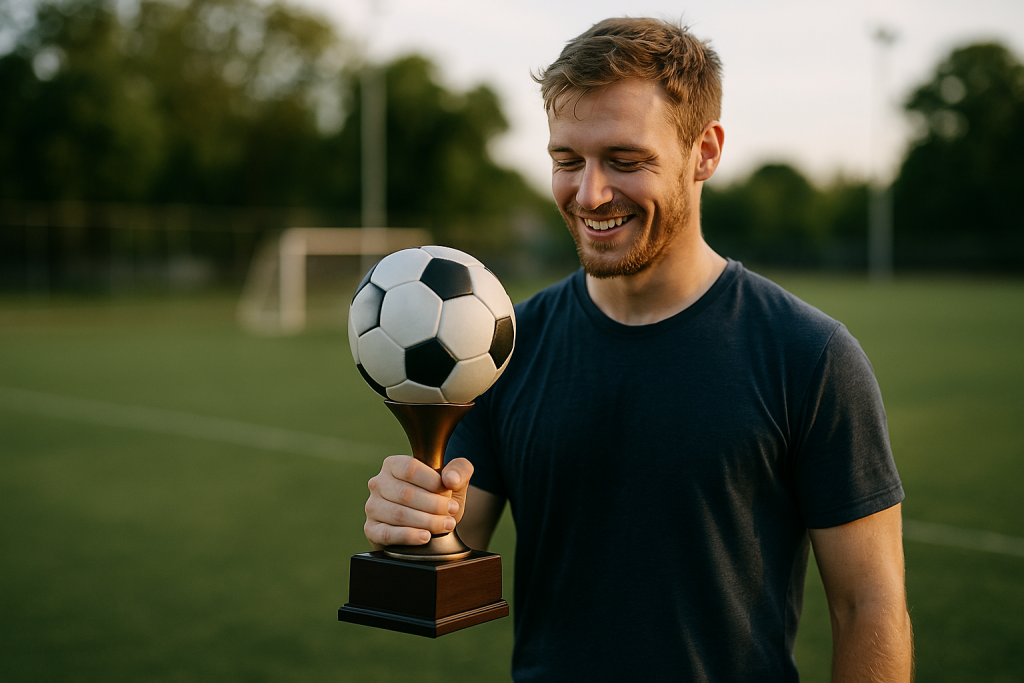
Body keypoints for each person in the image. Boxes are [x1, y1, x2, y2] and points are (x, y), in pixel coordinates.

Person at [363, 17, 913, 682]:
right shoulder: (498, 346)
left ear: (704, 152)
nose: (589, 194)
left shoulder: (809, 355)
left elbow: (869, 606)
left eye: (625, 161)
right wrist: (411, 518)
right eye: (567, 161)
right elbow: (455, 545)